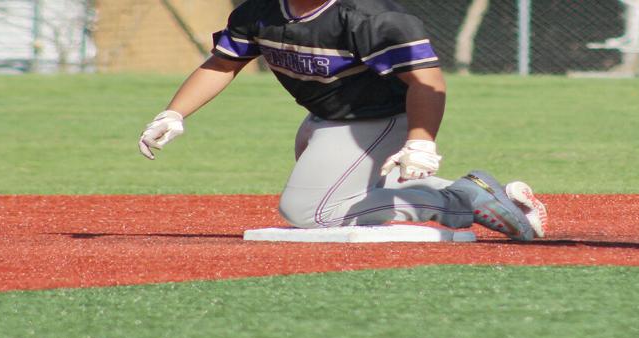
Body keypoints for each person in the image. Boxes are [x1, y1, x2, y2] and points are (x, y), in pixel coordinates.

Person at [138, 0, 546, 240]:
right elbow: (224, 63)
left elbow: (426, 82)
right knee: (345, 195)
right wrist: (175, 112)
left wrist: (420, 141)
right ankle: (472, 190)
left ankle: (460, 202)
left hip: (380, 118)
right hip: (326, 119)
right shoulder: (259, 11)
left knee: (312, 213)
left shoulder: (370, 16)